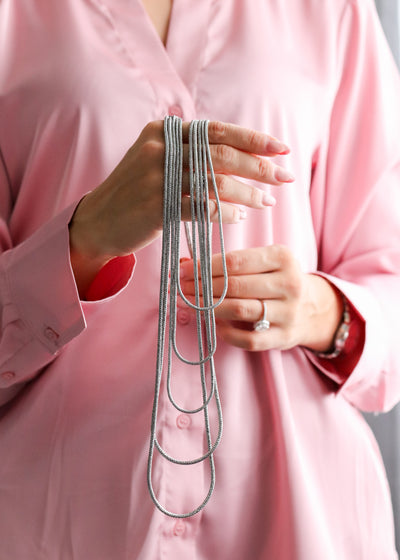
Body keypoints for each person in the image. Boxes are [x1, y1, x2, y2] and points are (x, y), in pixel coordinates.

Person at [0, 0, 399, 558]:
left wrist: (319, 309)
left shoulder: (332, 11)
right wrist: (86, 238)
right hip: (63, 521)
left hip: (301, 518)